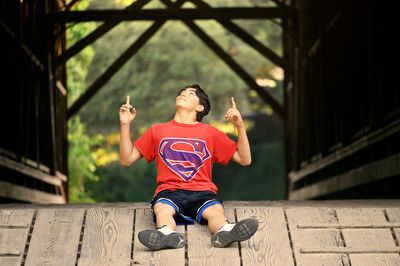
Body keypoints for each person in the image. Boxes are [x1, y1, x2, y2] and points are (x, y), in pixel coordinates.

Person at [119, 84, 258, 251]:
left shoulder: (211, 133)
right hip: (169, 191)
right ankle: (166, 234)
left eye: (190, 93)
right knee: (162, 209)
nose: (183, 94)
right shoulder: (158, 130)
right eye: (181, 93)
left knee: (215, 211)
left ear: (200, 107)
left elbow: (245, 159)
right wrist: (125, 124)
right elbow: (127, 159)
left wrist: (240, 126)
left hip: (203, 192)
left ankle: (225, 231)